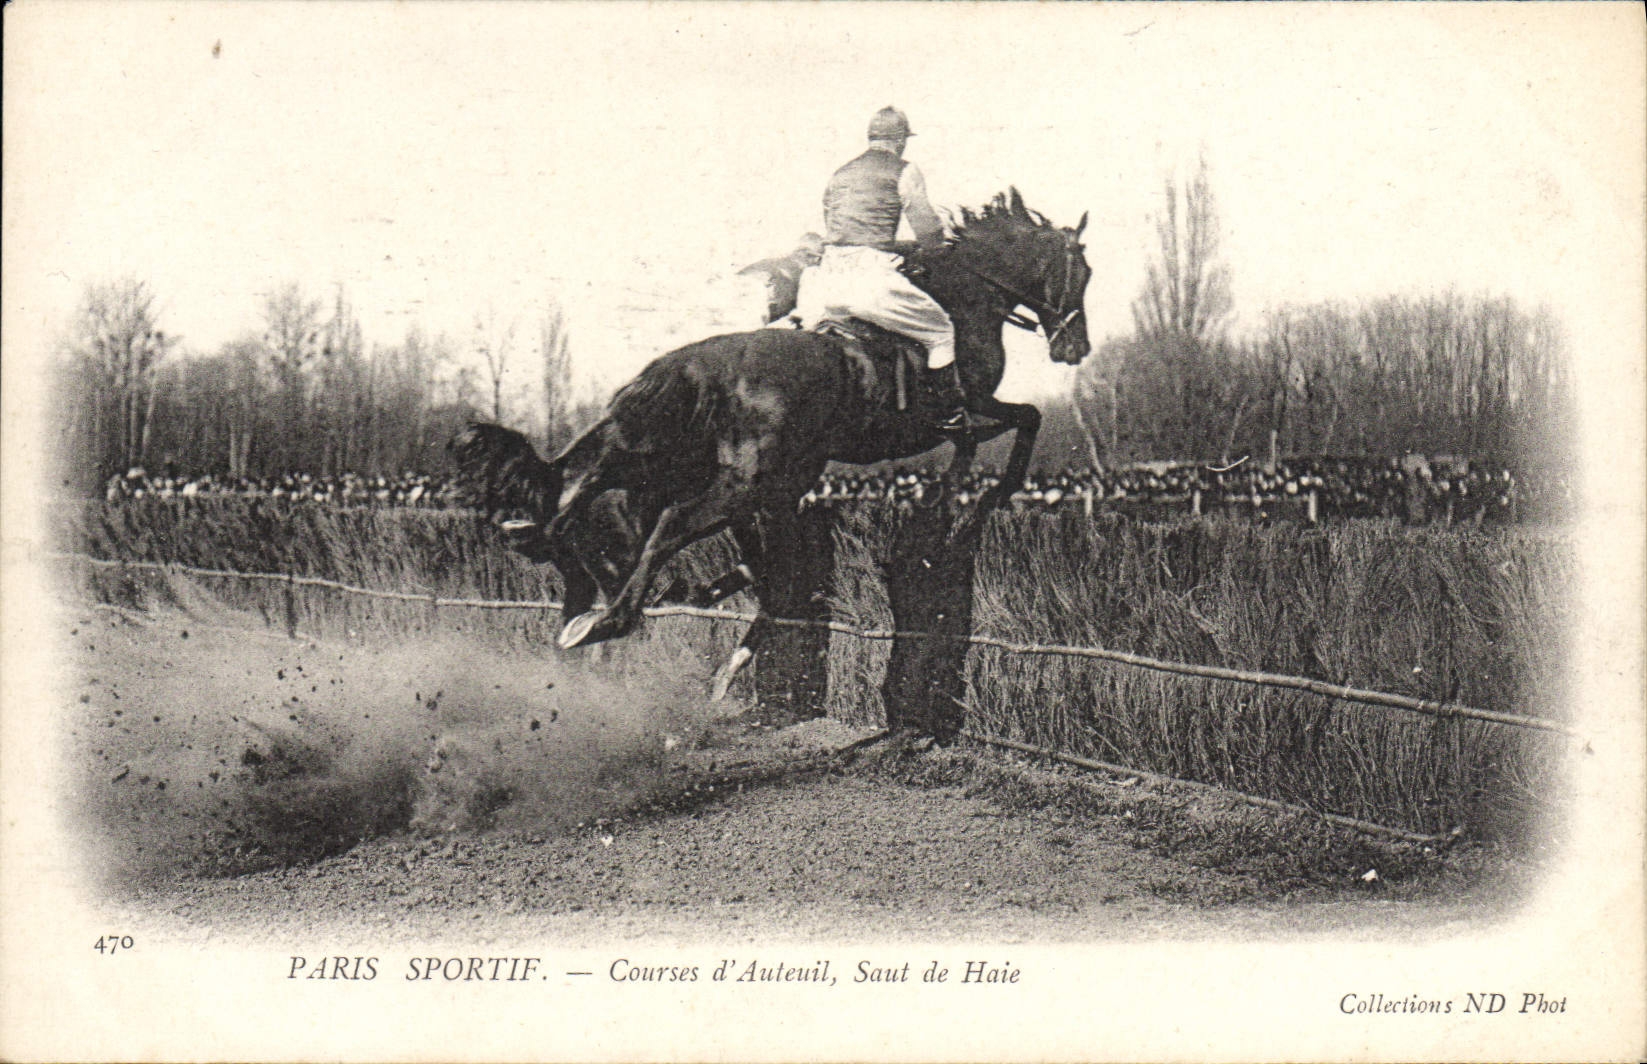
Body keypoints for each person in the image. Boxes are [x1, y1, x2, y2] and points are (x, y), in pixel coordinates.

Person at [796, 106, 967, 429]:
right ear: (900, 140)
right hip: (870, 279)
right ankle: (950, 415)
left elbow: (842, 229)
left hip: (824, 281)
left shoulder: (840, 173)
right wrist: (935, 248)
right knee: (941, 332)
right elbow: (928, 232)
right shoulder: (904, 170)